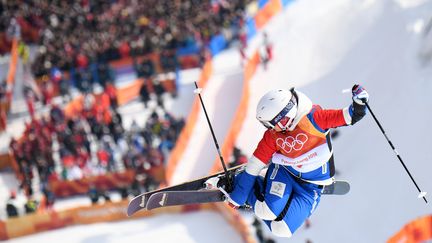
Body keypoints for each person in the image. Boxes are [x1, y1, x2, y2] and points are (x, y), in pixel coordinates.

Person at [225, 84, 369, 237]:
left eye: (274, 123)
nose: (274, 128)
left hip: (311, 187)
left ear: (287, 113)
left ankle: (262, 191)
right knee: (265, 212)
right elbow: (255, 164)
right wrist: (238, 197)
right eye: (269, 125)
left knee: (282, 230)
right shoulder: (273, 135)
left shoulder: (314, 119)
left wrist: (360, 102)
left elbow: (350, 116)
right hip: (285, 173)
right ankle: (246, 186)